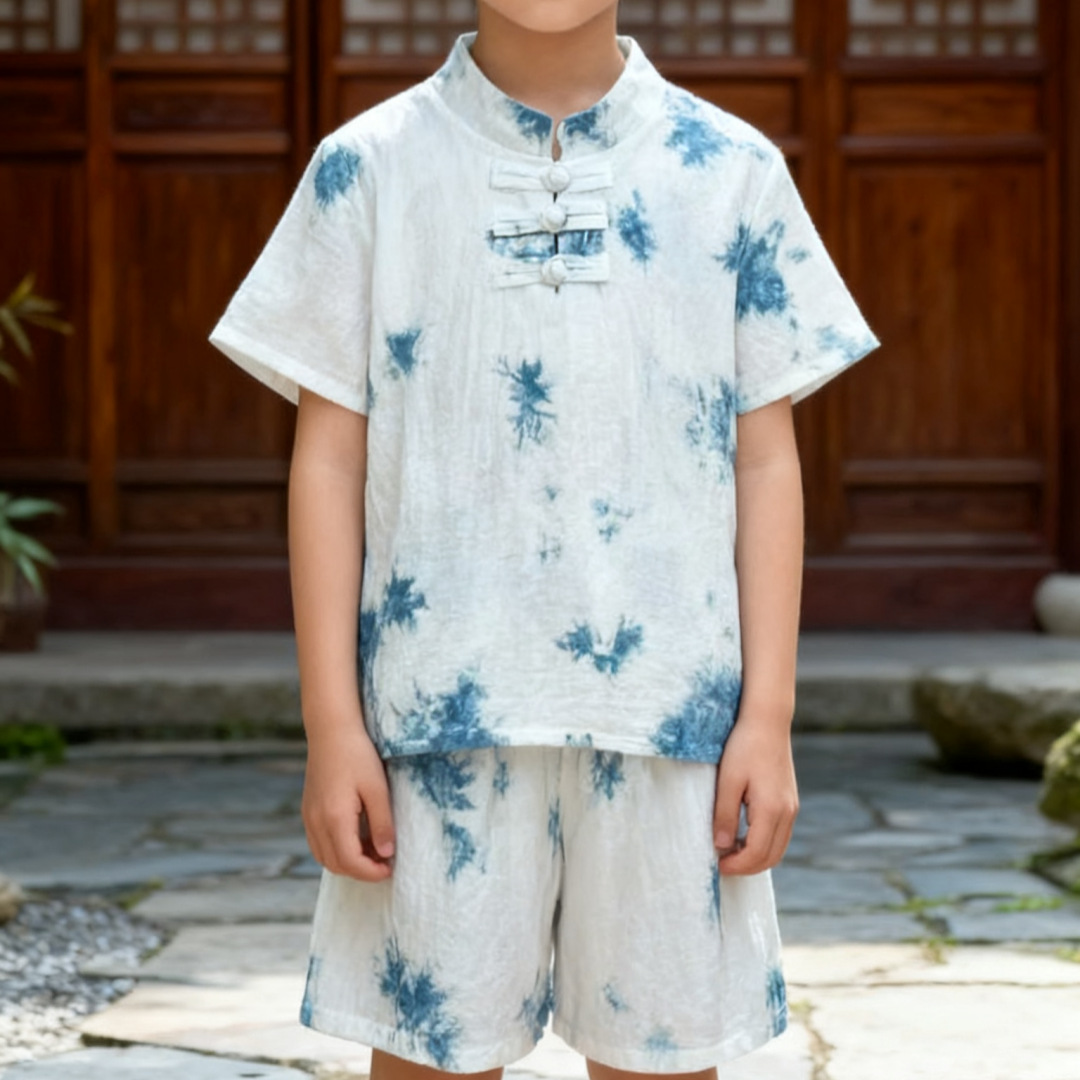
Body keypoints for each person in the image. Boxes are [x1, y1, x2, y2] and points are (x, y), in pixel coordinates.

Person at [207, 0, 880, 1077]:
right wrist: (332, 727)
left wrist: (769, 716)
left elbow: (765, 463)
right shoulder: (368, 168)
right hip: (436, 718)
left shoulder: (732, 171)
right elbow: (327, 463)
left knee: (663, 1062)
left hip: (672, 723)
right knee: (431, 1059)